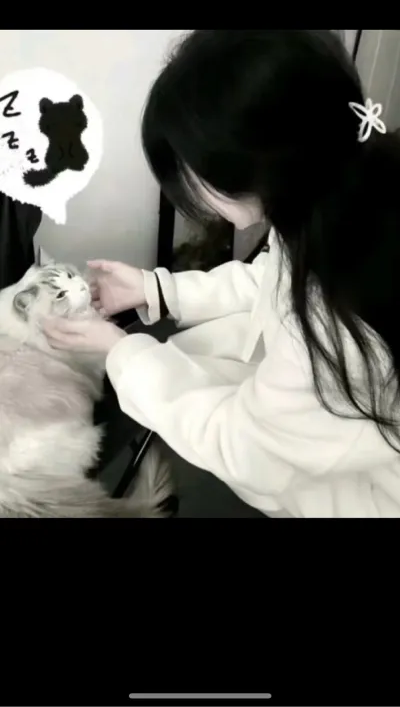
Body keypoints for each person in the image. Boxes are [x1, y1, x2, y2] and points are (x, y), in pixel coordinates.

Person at [43, 30, 400, 518]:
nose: (189, 188)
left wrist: (118, 351)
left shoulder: (331, 323)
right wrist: (155, 288)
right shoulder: (341, 190)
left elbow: (244, 448)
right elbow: (266, 279)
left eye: (191, 170)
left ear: (253, 167)